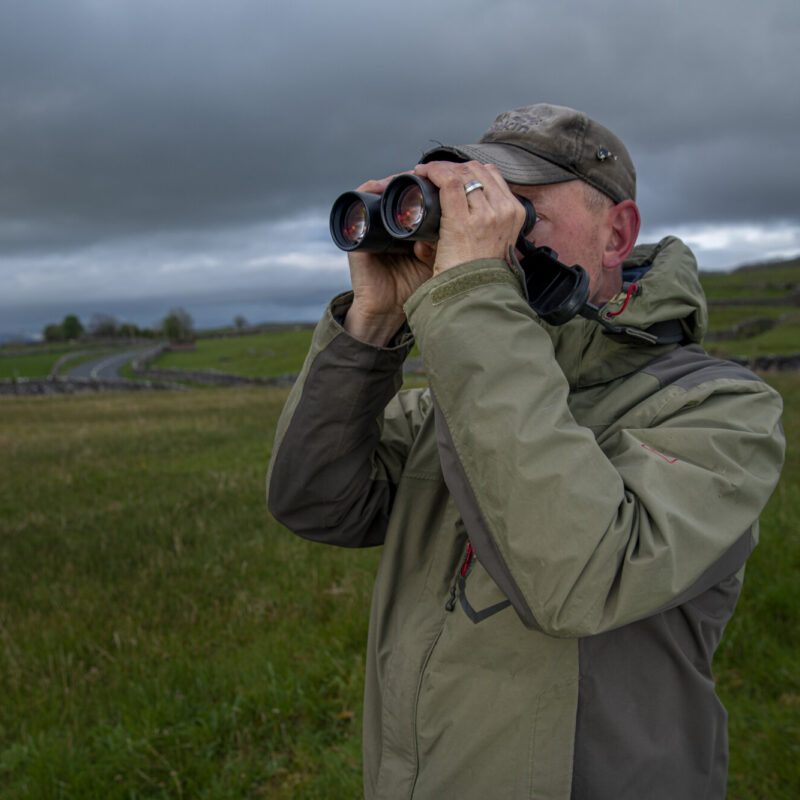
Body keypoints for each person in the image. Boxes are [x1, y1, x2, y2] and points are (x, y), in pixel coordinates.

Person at [266, 104, 785, 799]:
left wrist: (474, 304)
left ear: (617, 233)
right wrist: (374, 324)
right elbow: (315, 501)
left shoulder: (722, 410)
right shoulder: (461, 395)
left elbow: (579, 580)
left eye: (516, 204)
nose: (489, 225)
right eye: (471, 202)